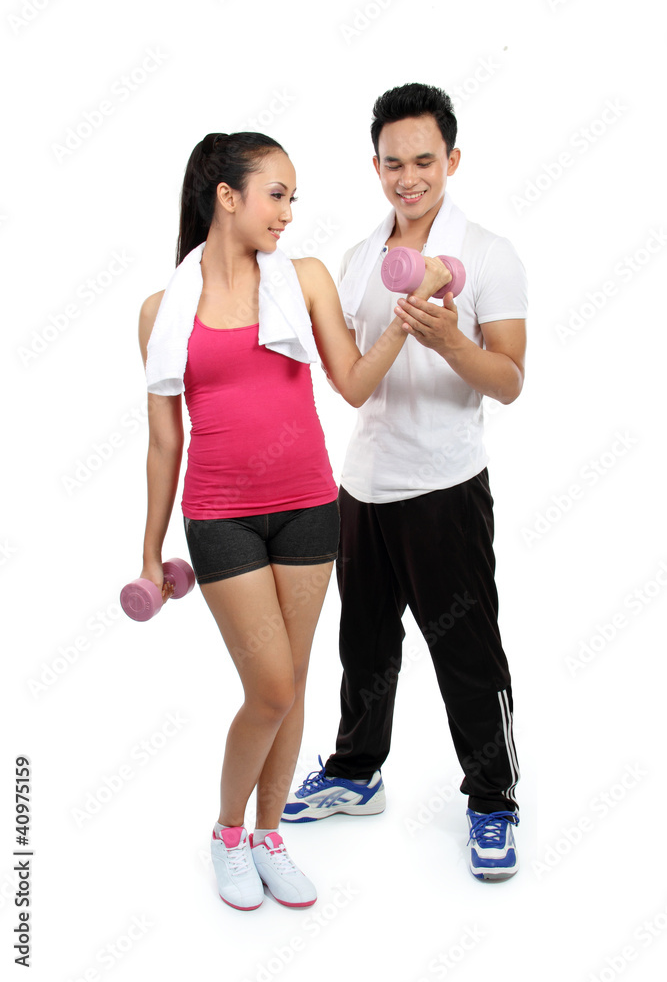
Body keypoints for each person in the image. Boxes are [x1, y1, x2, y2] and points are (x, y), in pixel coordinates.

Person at [136, 131, 453, 911]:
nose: (287, 212)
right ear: (227, 196)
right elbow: (164, 442)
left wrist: (405, 322)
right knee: (270, 686)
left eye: (292, 198)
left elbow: (352, 383)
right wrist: (149, 554)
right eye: (275, 195)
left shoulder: (302, 278)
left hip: (309, 504)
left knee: (294, 681)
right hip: (221, 518)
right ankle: (227, 833)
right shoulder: (160, 311)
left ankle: (268, 835)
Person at [282, 84, 528, 883]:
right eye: (393, 163)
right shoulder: (359, 260)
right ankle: (356, 772)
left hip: (445, 486)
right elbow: (350, 374)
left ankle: (492, 800)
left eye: (423, 160)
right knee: (363, 644)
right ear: (376, 167)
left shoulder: (487, 253)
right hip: (363, 485)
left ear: (451, 160)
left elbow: (509, 380)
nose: (408, 177)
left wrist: (451, 342)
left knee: (466, 651)